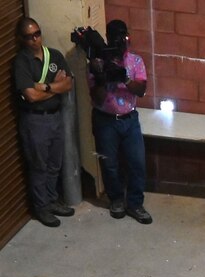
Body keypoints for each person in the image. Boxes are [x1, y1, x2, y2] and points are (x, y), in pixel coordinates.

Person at [88, 19, 152, 224]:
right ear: (108, 38)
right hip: (105, 120)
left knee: (137, 163)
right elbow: (96, 98)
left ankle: (135, 204)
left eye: (124, 36)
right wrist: (101, 77)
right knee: (110, 164)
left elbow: (141, 90)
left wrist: (123, 78)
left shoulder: (135, 61)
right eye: (117, 37)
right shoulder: (98, 62)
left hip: (130, 119)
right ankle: (116, 200)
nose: (122, 41)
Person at [12, 17, 74, 228]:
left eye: (37, 34)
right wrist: (54, 86)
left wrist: (45, 87)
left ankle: (52, 199)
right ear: (22, 39)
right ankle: (42, 207)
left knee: (54, 163)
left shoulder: (54, 55)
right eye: (29, 37)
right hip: (35, 121)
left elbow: (67, 85)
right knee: (38, 166)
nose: (34, 39)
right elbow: (31, 96)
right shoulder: (22, 62)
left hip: (55, 117)